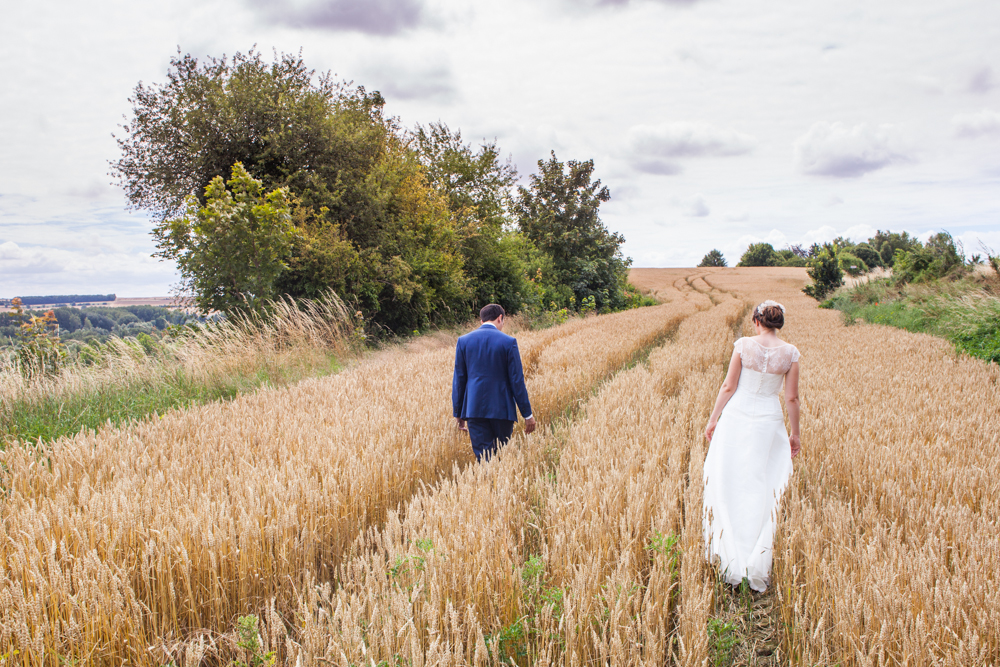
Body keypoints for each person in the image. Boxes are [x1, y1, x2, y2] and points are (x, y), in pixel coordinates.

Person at [702, 300, 801, 592]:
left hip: (737, 417)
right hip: (768, 421)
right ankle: (756, 556)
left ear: (757, 321)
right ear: (778, 323)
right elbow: (792, 399)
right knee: (762, 481)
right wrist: (795, 434)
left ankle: (728, 551)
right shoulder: (791, 354)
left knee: (728, 477)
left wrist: (713, 418)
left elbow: (728, 387)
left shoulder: (744, 345)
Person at [452, 304, 537, 462]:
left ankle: (486, 485)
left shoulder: (463, 341)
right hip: (502, 410)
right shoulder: (508, 342)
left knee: (484, 459)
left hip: (474, 409)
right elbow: (517, 381)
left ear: (481, 319)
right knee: (501, 456)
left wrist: (458, 413)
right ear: (500, 318)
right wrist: (527, 414)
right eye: (503, 322)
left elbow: (459, 379)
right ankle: (500, 484)